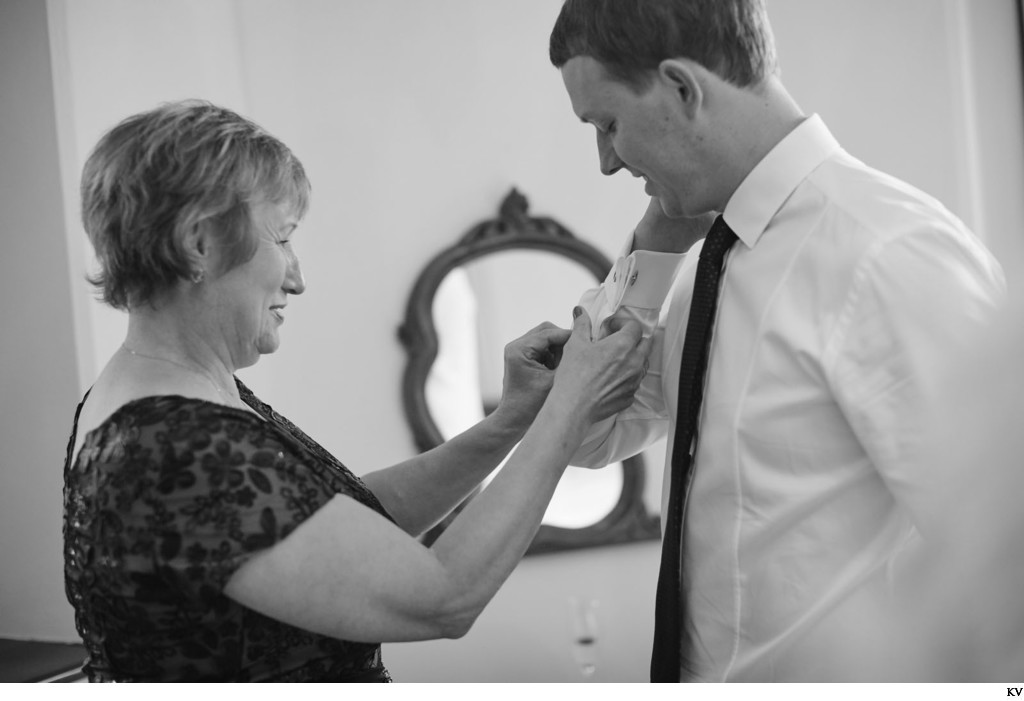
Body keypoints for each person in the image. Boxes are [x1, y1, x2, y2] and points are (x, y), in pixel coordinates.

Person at [63, 99, 651, 682]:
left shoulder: (175, 395)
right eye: (283, 238)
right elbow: (443, 596)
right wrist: (569, 409)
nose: (297, 277)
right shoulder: (177, 443)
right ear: (199, 244)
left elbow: (345, 527)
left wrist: (510, 422)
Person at [548, 0, 1007, 682]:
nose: (608, 162)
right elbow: (590, 433)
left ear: (682, 87)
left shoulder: (888, 253)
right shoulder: (709, 259)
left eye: (608, 125)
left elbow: (1002, 564)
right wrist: (653, 249)